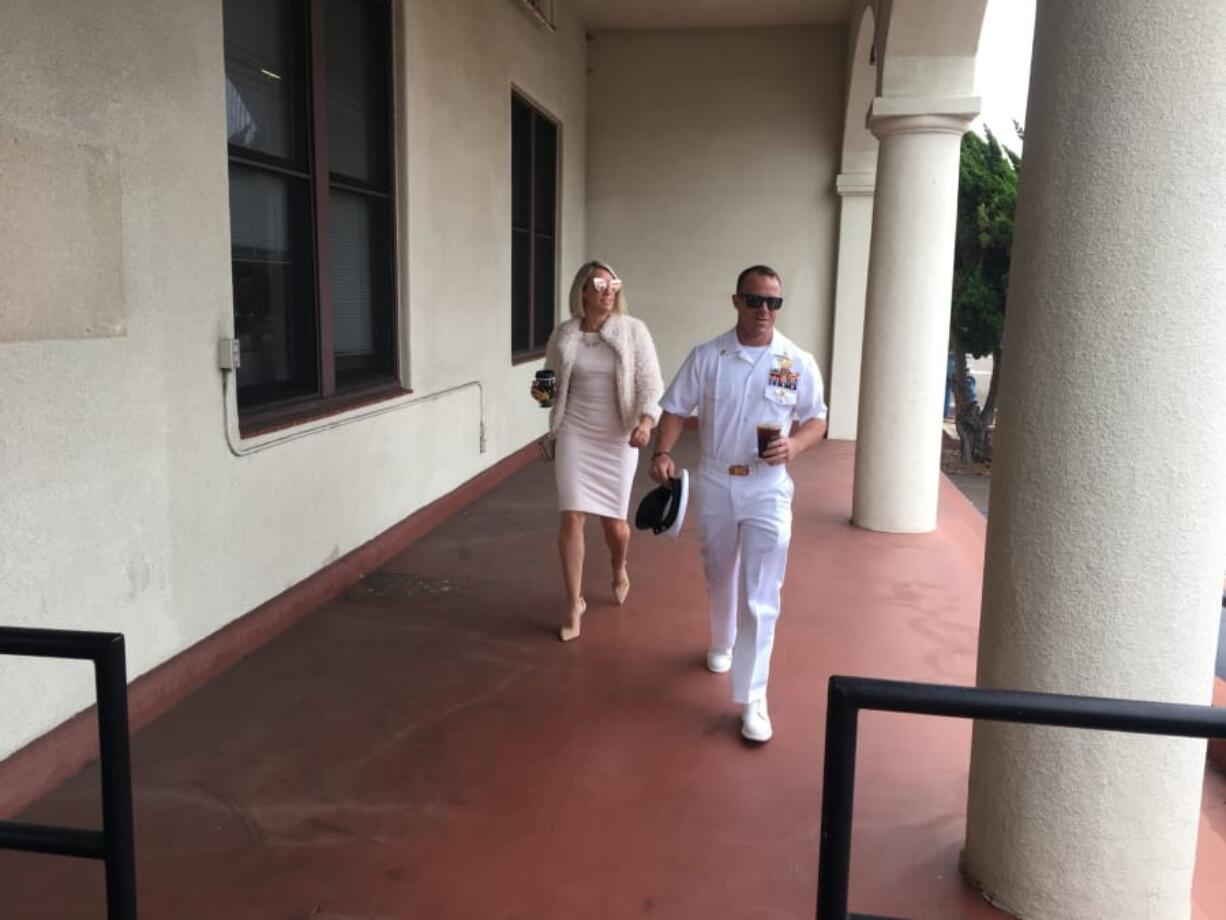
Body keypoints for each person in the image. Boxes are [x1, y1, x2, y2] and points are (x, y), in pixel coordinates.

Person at [650, 265, 827, 742]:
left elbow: (816, 420)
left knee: (761, 594)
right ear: (736, 302)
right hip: (714, 480)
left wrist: (796, 446)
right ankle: (722, 640)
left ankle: (753, 698)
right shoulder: (709, 357)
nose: (764, 310)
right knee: (719, 569)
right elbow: (674, 408)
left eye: (773, 302)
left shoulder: (795, 361)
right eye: (755, 300)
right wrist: (662, 451)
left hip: (768, 486)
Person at [536, 261, 664, 642]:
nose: (608, 292)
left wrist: (645, 422)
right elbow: (547, 381)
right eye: (599, 285)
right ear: (583, 292)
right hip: (576, 430)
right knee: (572, 517)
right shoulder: (565, 334)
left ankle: (619, 566)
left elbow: (651, 384)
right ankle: (574, 603)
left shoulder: (633, 331)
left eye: (614, 285)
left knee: (615, 525)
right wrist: (543, 395)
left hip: (618, 436)